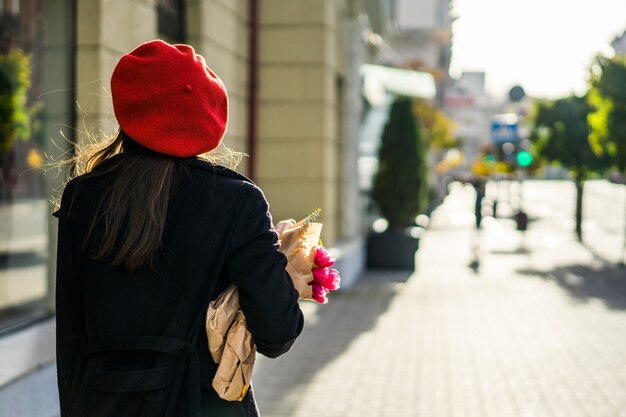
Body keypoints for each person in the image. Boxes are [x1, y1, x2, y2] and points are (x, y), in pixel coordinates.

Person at [53, 40, 304, 417]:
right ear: (209, 114)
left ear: (130, 108)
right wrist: (281, 266)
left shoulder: (81, 196)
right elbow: (278, 332)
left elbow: (70, 337)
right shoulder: (237, 201)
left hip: (103, 402)